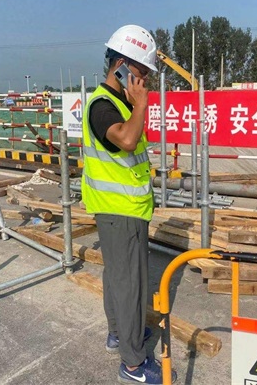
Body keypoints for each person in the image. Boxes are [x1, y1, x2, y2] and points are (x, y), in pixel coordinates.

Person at [81, 24, 177, 385]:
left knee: (117, 279)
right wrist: (141, 105)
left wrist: (135, 105)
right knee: (131, 286)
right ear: (121, 66)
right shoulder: (103, 106)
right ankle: (133, 363)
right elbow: (126, 139)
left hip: (122, 210)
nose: (146, 81)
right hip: (120, 212)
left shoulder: (117, 102)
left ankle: (119, 334)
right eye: (142, 72)